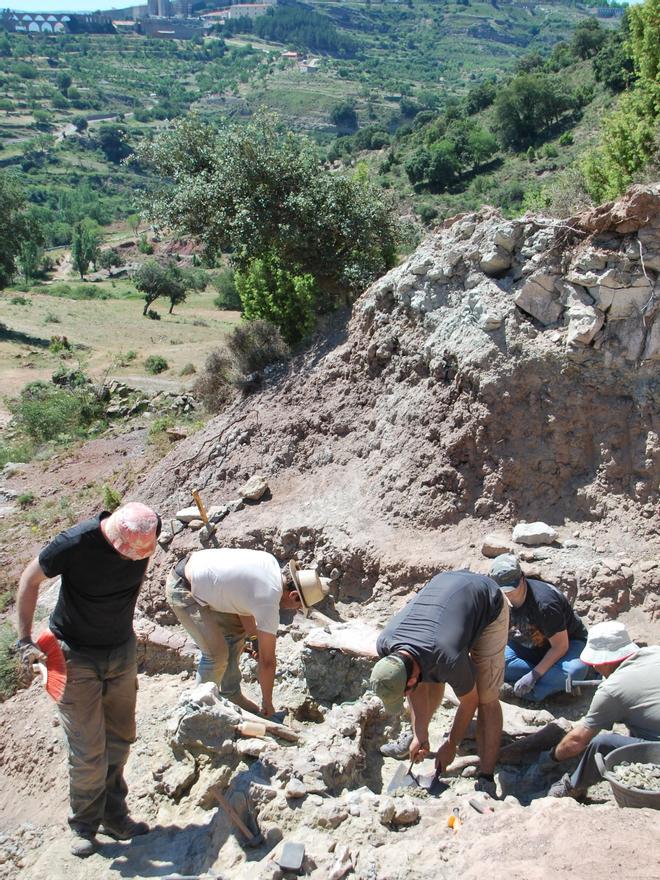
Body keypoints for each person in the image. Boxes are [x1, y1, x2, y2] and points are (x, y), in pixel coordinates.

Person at [15, 502, 160, 858]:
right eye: (124, 554)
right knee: (88, 751)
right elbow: (29, 580)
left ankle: (115, 816)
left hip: (120, 649)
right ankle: (83, 824)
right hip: (73, 653)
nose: (129, 560)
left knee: (121, 738)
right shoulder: (75, 542)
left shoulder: (146, 534)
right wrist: (24, 639)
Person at [369, 570, 509, 797]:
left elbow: (469, 701)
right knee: (428, 671)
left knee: (486, 696)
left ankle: (486, 777)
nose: (408, 691)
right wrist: (420, 733)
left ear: (410, 679)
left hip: (487, 600)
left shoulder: (447, 656)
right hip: (447, 596)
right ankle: (416, 737)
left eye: (406, 688)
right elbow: (416, 683)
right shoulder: (386, 645)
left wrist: (452, 743)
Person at [166, 549, 330, 718]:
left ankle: (230, 694)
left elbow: (242, 604)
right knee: (216, 655)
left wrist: (253, 639)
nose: (297, 610)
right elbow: (267, 662)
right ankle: (198, 713)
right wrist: (267, 703)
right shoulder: (269, 600)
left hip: (196, 572)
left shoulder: (270, 563)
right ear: (294, 595)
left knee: (235, 631)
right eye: (299, 606)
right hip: (183, 588)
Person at [545, 620, 660, 799]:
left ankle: (572, 787)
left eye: (595, 663)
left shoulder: (613, 689)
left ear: (604, 661)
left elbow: (577, 740)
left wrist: (550, 758)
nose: (594, 666)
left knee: (602, 743)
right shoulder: (655, 652)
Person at [488, 554, 589, 701]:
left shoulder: (545, 603)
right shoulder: (497, 596)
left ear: (522, 578)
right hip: (529, 643)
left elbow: (560, 646)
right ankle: (552, 685)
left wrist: (534, 675)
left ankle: (527, 691)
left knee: (573, 671)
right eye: (503, 588)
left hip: (566, 645)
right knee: (494, 660)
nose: (507, 592)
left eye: (511, 587)